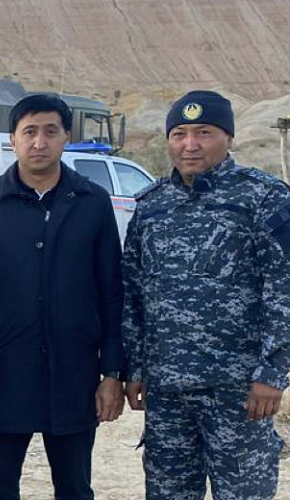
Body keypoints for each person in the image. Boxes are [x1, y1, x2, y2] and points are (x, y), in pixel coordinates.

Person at [122, 90, 290, 500]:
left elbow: (283, 287)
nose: (190, 145)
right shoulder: (151, 206)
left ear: (229, 137)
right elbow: (133, 293)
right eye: (179, 134)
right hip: (167, 392)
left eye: (204, 133)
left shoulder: (264, 197)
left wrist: (272, 374)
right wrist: (135, 366)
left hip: (239, 391)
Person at [0, 94, 125, 500]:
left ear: (66, 136)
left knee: (75, 488)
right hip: (4, 376)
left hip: (74, 376)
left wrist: (112, 373)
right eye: (29, 132)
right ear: (12, 140)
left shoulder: (93, 203)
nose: (39, 142)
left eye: (51, 131)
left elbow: (111, 294)